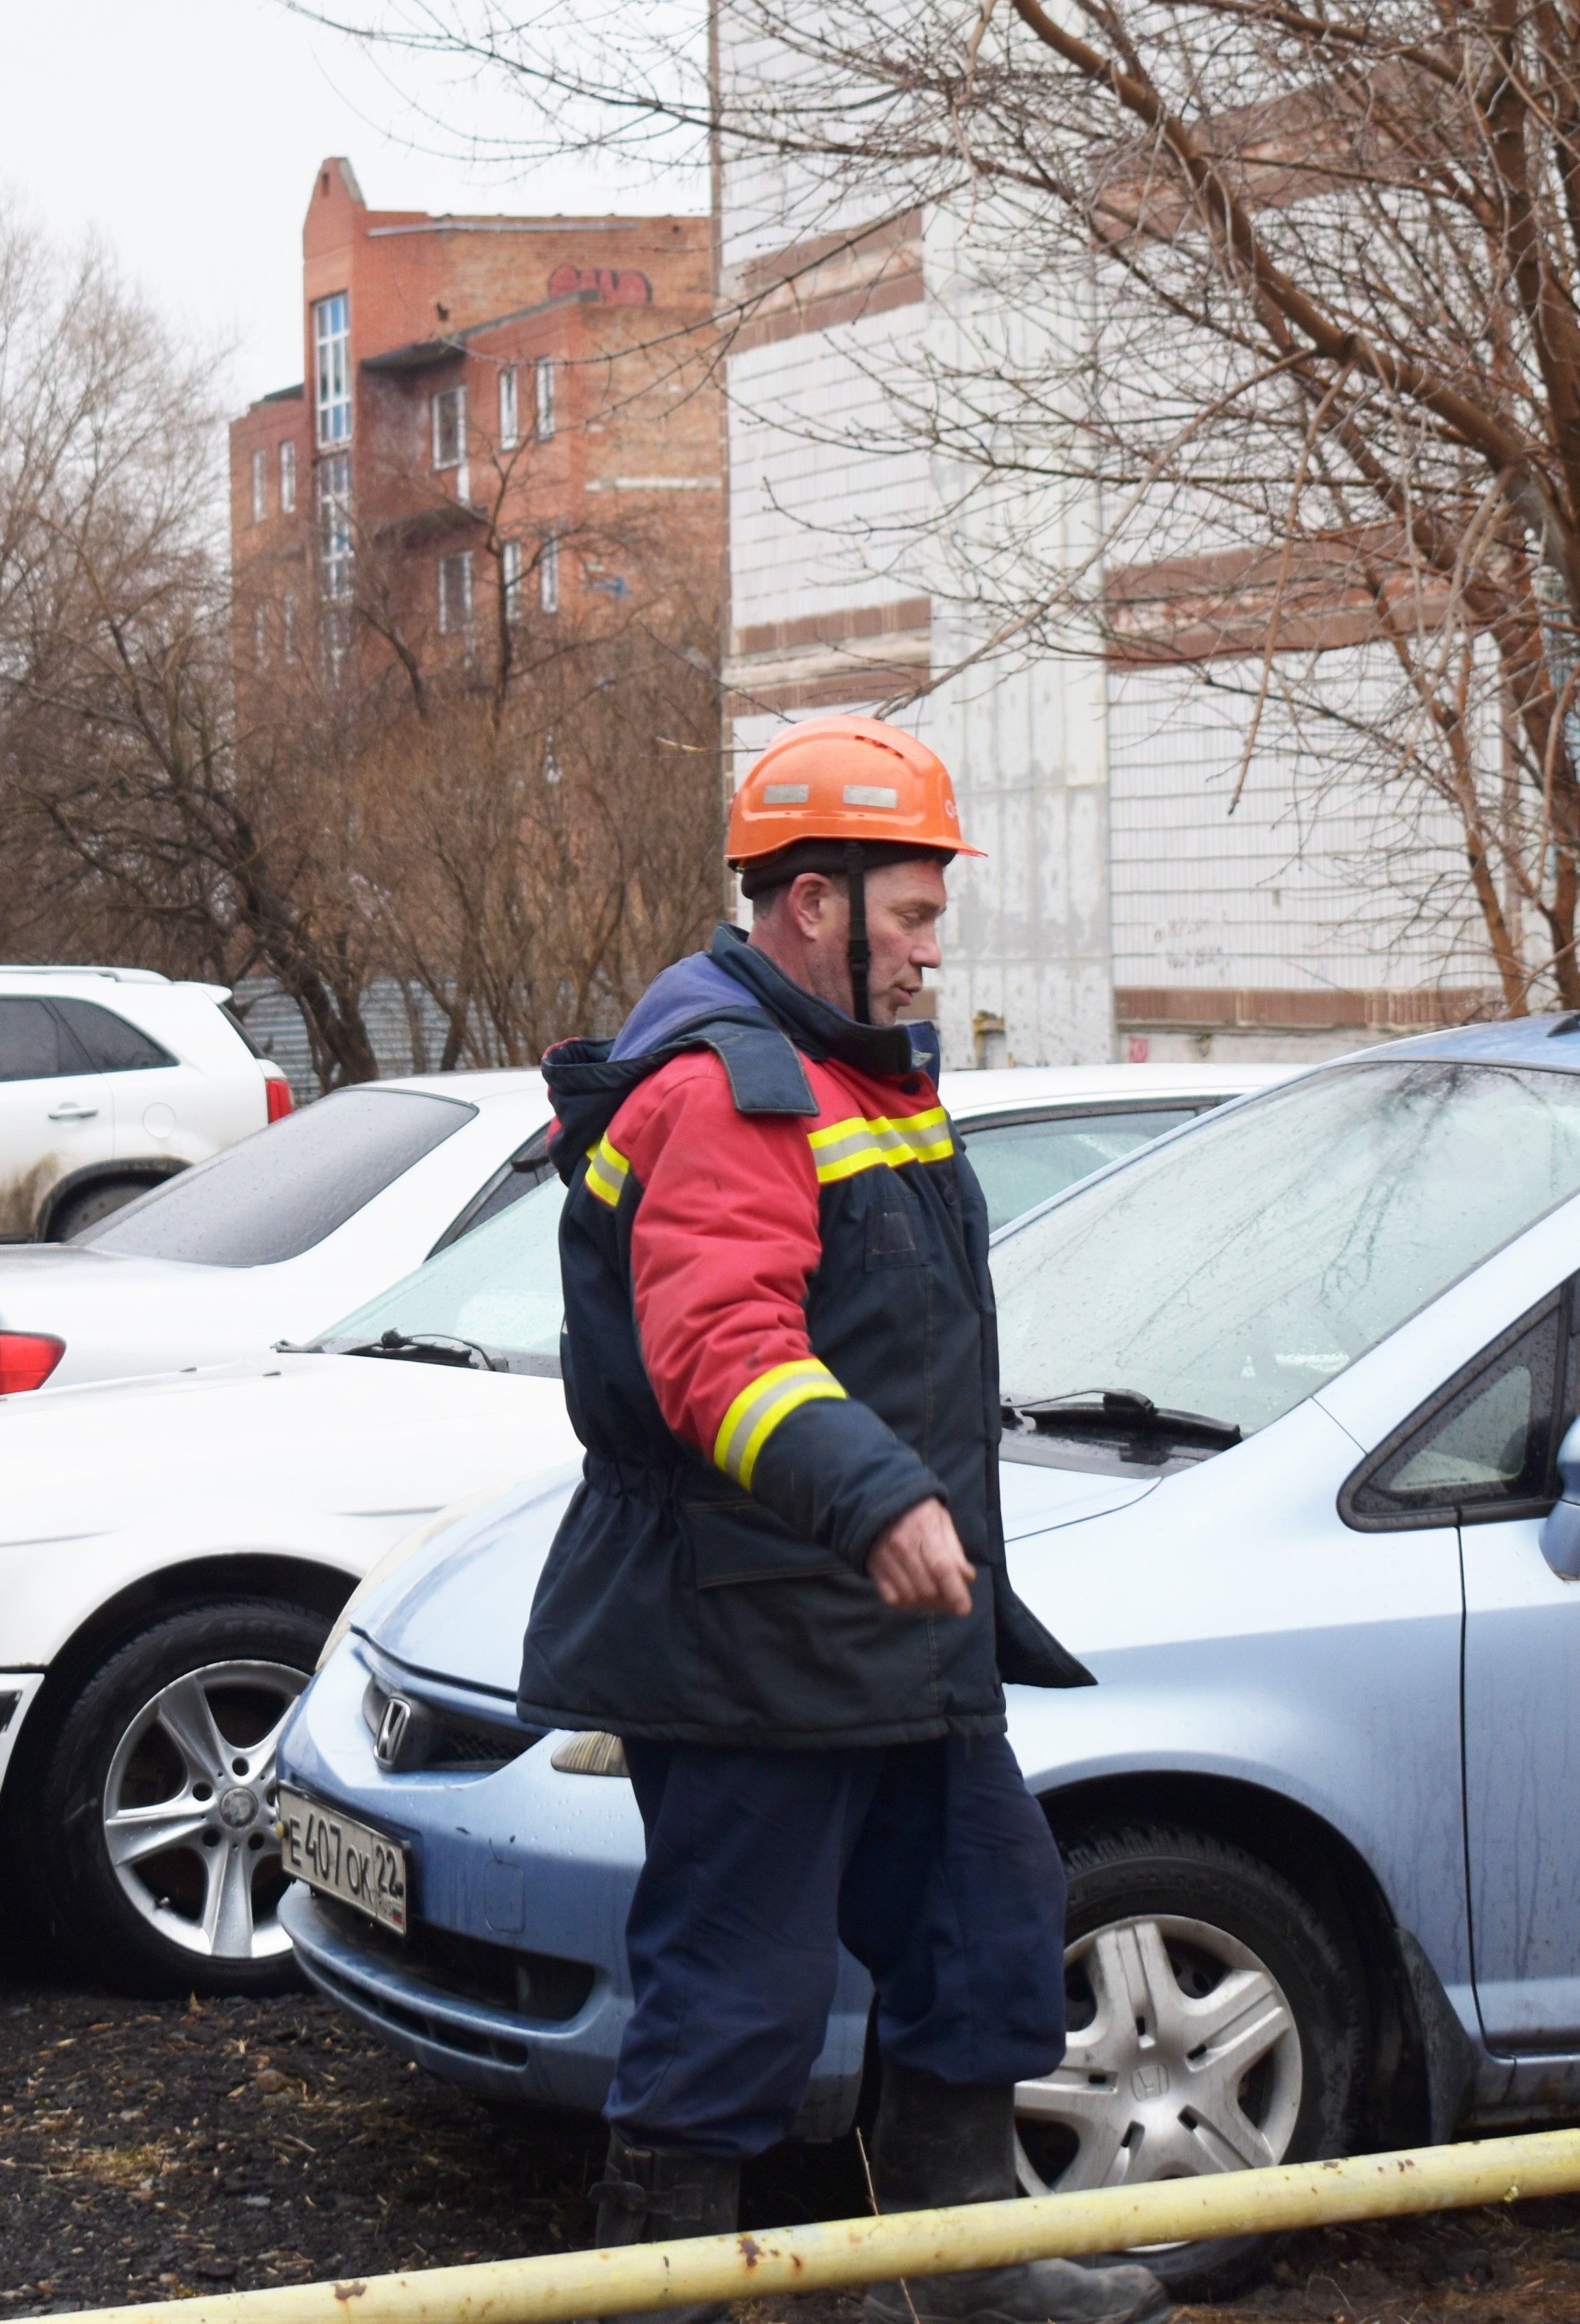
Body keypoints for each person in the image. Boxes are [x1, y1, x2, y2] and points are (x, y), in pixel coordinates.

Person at [523, 715, 1164, 2324]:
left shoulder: (856, 1067)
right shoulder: (726, 1085)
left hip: (887, 1634)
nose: (937, 948)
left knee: (988, 1924)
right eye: (918, 913)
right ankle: (664, 2296)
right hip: (749, 1633)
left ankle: (964, 2269)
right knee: (736, 1993)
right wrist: (878, 1495)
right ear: (815, 900)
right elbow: (720, 1346)